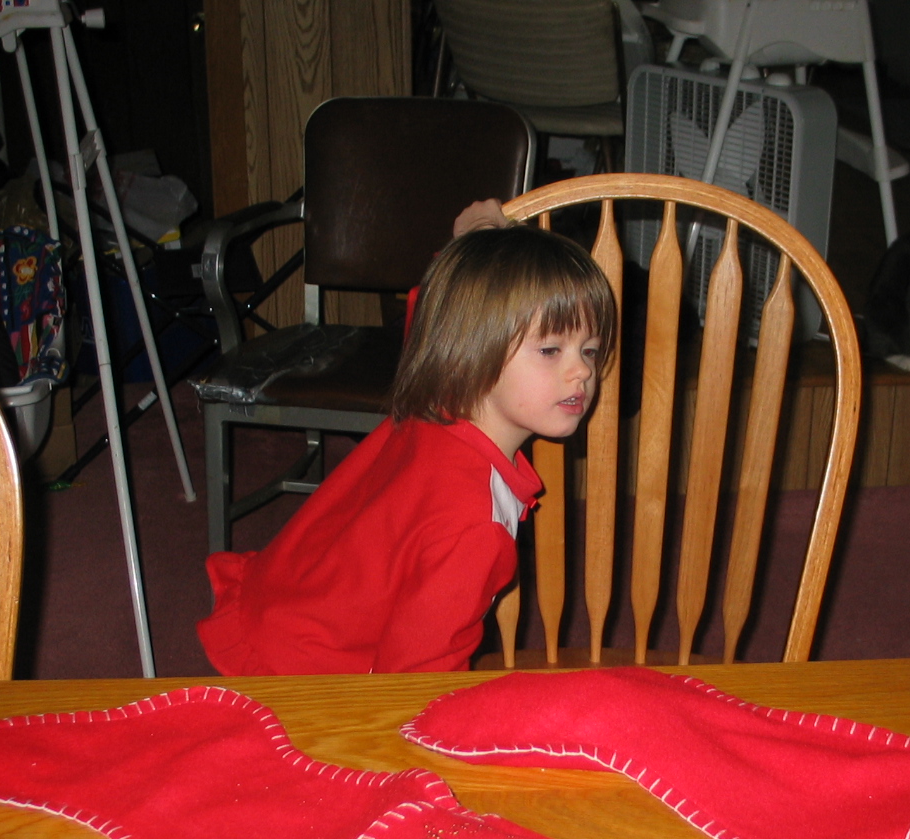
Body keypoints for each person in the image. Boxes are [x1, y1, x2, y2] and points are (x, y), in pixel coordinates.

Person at [197, 216, 617, 676]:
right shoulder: (474, 528)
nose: (582, 371)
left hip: (284, 610)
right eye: (551, 350)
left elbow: (431, 320)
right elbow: (418, 675)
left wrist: (461, 248)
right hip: (310, 675)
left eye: (590, 350)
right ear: (469, 349)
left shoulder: (434, 405)